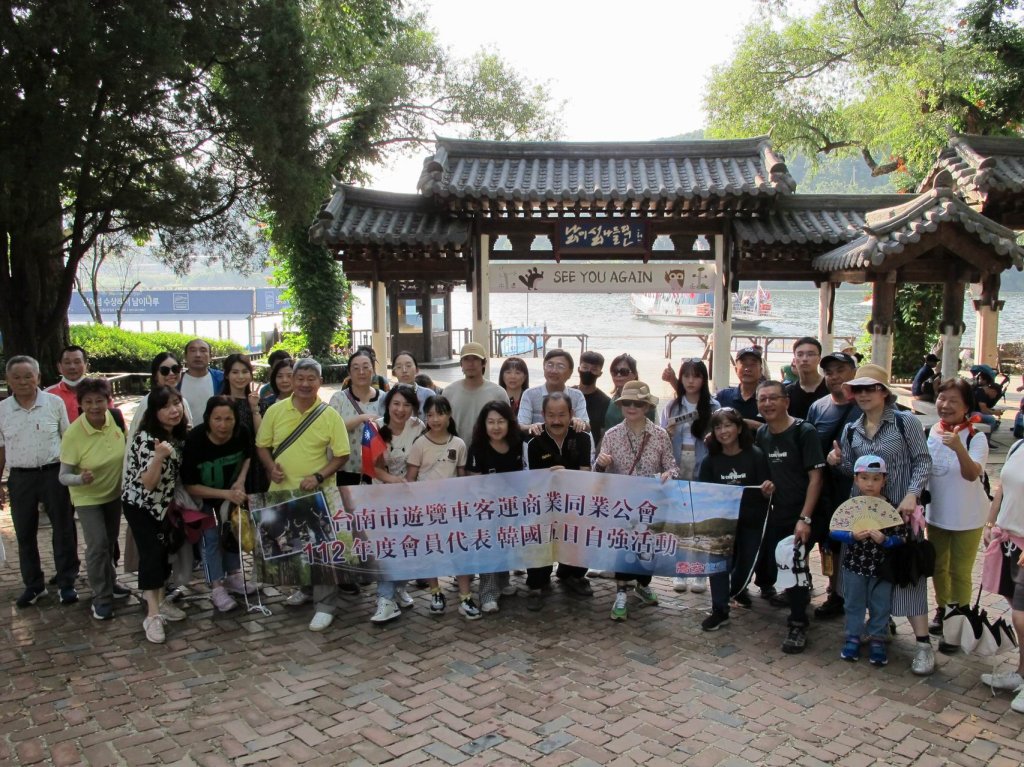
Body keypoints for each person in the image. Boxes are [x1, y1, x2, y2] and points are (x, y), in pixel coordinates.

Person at [827, 363, 934, 675]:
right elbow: (852, 470)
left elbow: (922, 460)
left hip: (900, 514)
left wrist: (913, 494)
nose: (863, 394)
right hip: (863, 518)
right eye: (858, 389)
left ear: (884, 392)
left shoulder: (905, 422)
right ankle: (876, 629)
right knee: (865, 576)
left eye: (870, 388)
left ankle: (924, 645)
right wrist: (836, 461)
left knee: (908, 575)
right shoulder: (852, 429)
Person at [255, 358, 350, 632]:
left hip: (317, 493)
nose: (305, 384)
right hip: (282, 491)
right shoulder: (275, 411)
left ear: (320, 382)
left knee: (322, 549)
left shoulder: (329, 415)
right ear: (292, 380)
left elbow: (342, 455)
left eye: (311, 379)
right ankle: (305, 589)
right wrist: (270, 467)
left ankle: (325, 606)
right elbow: (262, 445)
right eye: (300, 378)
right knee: (292, 545)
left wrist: (319, 476)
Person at [754, 380, 825, 654]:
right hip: (778, 513)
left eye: (773, 398)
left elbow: (816, 478)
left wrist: (805, 519)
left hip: (804, 513)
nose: (768, 403)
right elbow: (766, 473)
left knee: (792, 562)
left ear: (786, 401)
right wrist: (766, 487)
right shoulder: (762, 433)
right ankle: (799, 598)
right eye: (762, 399)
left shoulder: (804, 432)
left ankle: (798, 624)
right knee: (783, 565)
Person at [595, 381, 677, 621]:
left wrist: (668, 474)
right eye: (627, 403)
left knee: (648, 549)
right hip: (622, 504)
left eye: (638, 404)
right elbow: (597, 473)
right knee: (623, 548)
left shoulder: (660, 435)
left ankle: (643, 585)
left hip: (651, 504)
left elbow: (672, 466)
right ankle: (621, 592)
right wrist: (600, 463)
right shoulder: (611, 435)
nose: (632, 407)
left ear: (647, 407)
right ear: (621, 406)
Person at [0, 356, 77, 608]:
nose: (23, 381)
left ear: (38, 377)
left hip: (54, 474)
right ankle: (34, 585)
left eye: (28, 376)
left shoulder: (54, 403)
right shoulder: (2, 410)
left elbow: (68, 439)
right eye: (16, 377)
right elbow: (1, 449)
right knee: (24, 533)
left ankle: (67, 583)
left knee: (63, 529)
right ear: (8, 380)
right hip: (20, 478)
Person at [121, 386, 189, 643]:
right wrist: (159, 457)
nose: (174, 410)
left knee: (162, 553)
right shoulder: (146, 439)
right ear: (154, 411)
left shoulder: (178, 435)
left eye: (177, 403)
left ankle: (160, 602)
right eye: (165, 406)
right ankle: (152, 616)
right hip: (140, 505)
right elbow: (149, 483)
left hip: (163, 506)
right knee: (150, 555)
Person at [924, 377, 988, 647]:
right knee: (938, 567)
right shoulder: (931, 432)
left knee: (959, 571)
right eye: (942, 398)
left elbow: (972, 474)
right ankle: (943, 609)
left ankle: (958, 621)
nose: (946, 405)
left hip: (967, 517)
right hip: (936, 514)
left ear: (966, 407)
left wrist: (959, 447)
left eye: (954, 401)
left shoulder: (976, 436)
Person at [698, 408, 774, 629]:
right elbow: (703, 493)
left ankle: (735, 590)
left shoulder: (756, 455)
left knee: (747, 563)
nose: (723, 431)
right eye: (718, 427)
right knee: (718, 566)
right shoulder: (710, 461)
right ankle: (719, 610)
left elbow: (766, 490)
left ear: (739, 428)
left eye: (728, 425)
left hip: (751, 521)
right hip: (721, 523)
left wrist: (767, 490)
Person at [58, 377, 127, 621]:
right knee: (97, 545)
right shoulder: (74, 434)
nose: (95, 406)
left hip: (113, 494)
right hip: (87, 498)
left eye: (99, 401)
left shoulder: (115, 419)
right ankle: (101, 597)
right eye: (88, 402)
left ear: (108, 401)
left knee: (109, 542)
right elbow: (63, 476)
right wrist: (80, 479)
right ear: (80, 404)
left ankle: (111, 582)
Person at [830, 455, 907, 666]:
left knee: (880, 605)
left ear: (884, 480)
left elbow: (902, 536)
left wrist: (886, 540)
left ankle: (877, 639)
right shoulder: (851, 507)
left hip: (882, 569)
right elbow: (834, 531)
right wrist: (851, 536)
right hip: (854, 565)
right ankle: (853, 637)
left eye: (875, 478)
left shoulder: (891, 508)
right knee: (853, 603)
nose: (870, 484)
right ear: (856, 480)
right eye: (864, 478)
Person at [181, 395, 254, 613]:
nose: (223, 425)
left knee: (232, 531)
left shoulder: (242, 433)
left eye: (228, 419)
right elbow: (190, 485)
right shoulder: (195, 440)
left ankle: (233, 575)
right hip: (202, 498)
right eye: (217, 419)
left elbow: (248, 456)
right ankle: (216, 586)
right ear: (208, 419)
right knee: (210, 538)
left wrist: (240, 481)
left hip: (230, 493)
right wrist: (224, 493)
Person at [406, 396, 476, 619]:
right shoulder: (419, 444)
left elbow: (462, 477)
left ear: (449, 416)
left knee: (459, 551)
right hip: (427, 510)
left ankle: (465, 597)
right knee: (431, 551)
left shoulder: (458, 444)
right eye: (430, 415)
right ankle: (436, 592)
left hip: (453, 510)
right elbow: (410, 478)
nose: (435, 419)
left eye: (440, 414)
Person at [523, 392, 594, 610]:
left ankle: (572, 575)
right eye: (551, 415)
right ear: (543, 415)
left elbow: (586, 473)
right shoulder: (534, 442)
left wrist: (566, 475)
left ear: (571, 414)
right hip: (545, 505)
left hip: (575, 502)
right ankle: (537, 584)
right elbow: (533, 482)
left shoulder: (582, 438)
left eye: (562, 415)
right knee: (539, 536)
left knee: (582, 532)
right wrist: (550, 478)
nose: (556, 421)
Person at [805, 351, 862, 620]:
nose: (834, 376)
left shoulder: (865, 405)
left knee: (861, 542)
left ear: (854, 372)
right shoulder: (818, 407)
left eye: (840, 370)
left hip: (858, 488)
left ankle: (870, 604)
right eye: (829, 372)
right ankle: (835, 592)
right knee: (829, 542)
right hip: (824, 487)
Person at [661, 358, 719, 594]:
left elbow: (722, 436)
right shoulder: (672, 406)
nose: (691, 381)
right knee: (679, 521)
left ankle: (699, 573)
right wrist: (667, 432)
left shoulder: (713, 406)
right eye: (686, 376)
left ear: (704, 379)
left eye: (696, 376)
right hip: (677, 463)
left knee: (701, 521)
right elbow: (661, 438)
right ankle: (680, 570)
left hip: (702, 463)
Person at [369, 385, 423, 623]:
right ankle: (385, 599)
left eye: (407, 405)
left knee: (408, 545)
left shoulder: (419, 427)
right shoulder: (374, 428)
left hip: (411, 497)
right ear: (388, 405)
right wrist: (393, 481)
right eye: (396, 404)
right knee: (387, 547)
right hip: (382, 497)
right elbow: (372, 467)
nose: (401, 410)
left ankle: (400, 587)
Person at [978, 437, 1024, 711]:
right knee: (1016, 610)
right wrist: (990, 522)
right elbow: (1002, 488)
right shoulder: (1018, 446)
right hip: (1009, 542)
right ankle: (1021, 673)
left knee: (1021, 616)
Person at [467, 400, 524, 613]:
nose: (496, 427)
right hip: (487, 509)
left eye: (501, 421)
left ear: (509, 423)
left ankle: (503, 581)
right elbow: (474, 483)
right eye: (491, 422)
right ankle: (488, 593)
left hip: (513, 507)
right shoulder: (477, 448)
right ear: (484, 424)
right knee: (489, 547)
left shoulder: (518, 443)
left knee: (506, 544)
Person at [328, 348, 384, 487]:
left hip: (378, 471)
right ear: (349, 373)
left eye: (366, 367)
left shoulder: (384, 398)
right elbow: (331, 430)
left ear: (373, 370)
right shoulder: (338, 398)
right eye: (356, 368)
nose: (361, 372)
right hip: (345, 468)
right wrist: (362, 418)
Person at [219, 353, 266, 493]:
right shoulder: (218, 402)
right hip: (228, 460)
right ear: (226, 375)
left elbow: (262, 436)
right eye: (235, 372)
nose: (240, 376)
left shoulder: (259, 402)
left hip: (255, 461)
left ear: (251, 375)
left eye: (245, 372)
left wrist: (254, 408)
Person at [442, 342, 507, 441]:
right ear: (461, 364)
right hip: (455, 448)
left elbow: (507, 425)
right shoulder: (449, 392)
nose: (470, 363)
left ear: (484, 363)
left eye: (475, 359)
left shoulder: (498, 393)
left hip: (487, 449)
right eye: (466, 359)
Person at [519, 349, 590, 435]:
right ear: (544, 367)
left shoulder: (577, 396)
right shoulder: (530, 394)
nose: (554, 371)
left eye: (560, 366)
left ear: (570, 372)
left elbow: (587, 426)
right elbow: (521, 426)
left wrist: (578, 422)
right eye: (550, 365)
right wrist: (532, 427)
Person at [128, 352, 194, 441]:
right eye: (165, 371)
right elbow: (135, 439)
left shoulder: (181, 400)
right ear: (155, 375)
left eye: (175, 369)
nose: (171, 373)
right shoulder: (149, 402)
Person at [715, 347, 764, 431]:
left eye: (752, 364)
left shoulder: (768, 398)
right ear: (736, 369)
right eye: (744, 364)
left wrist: (757, 426)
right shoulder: (723, 396)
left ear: (761, 371)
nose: (747, 369)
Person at [178, 339, 224, 422]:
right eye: (193, 350)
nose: (198, 355)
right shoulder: (176, 381)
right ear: (185, 356)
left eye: (203, 350)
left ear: (210, 357)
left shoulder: (221, 379)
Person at [606, 353, 652, 431]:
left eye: (624, 372)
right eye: (615, 371)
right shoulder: (614, 398)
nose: (618, 375)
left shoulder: (643, 400)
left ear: (634, 374)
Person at [785, 337, 828, 420]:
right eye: (800, 355)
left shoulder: (830, 388)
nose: (804, 359)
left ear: (819, 359)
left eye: (810, 354)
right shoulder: (787, 392)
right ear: (794, 360)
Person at [45, 345, 91, 421]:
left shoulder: (99, 391)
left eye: (77, 362)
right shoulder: (47, 395)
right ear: (59, 367)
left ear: (86, 365)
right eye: (67, 362)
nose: (72, 367)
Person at [574, 351, 610, 447]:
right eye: (585, 367)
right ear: (578, 369)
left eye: (594, 369)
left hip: (590, 450)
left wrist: (596, 454)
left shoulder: (605, 401)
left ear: (600, 373)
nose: (588, 372)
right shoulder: (568, 394)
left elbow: (603, 435)